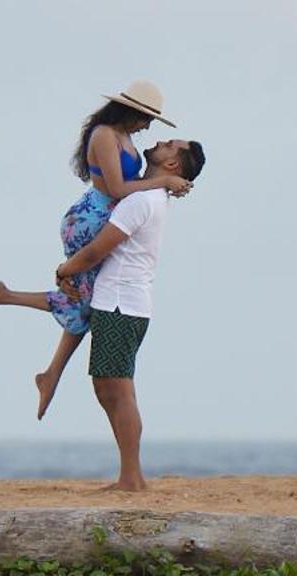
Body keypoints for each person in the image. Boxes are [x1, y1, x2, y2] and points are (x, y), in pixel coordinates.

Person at [0, 81, 193, 419]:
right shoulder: (103, 135)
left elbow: (136, 189)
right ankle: (16, 314)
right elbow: (117, 188)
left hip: (104, 217)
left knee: (86, 304)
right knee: (85, 300)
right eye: (147, 119)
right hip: (90, 219)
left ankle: (46, 367)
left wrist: (169, 184)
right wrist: (164, 181)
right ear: (133, 113)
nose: (148, 127)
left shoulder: (125, 138)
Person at [53, 136, 206, 490]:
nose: (161, 140)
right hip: (125, 302)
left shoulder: (140, 201)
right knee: (111, 388)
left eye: (170, 145)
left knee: (116, 390)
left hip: (121, 302)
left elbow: (95, 251)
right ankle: (130, 475)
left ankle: (131, 478)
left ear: (172, 165)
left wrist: (64, 271)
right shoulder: (150, 196)